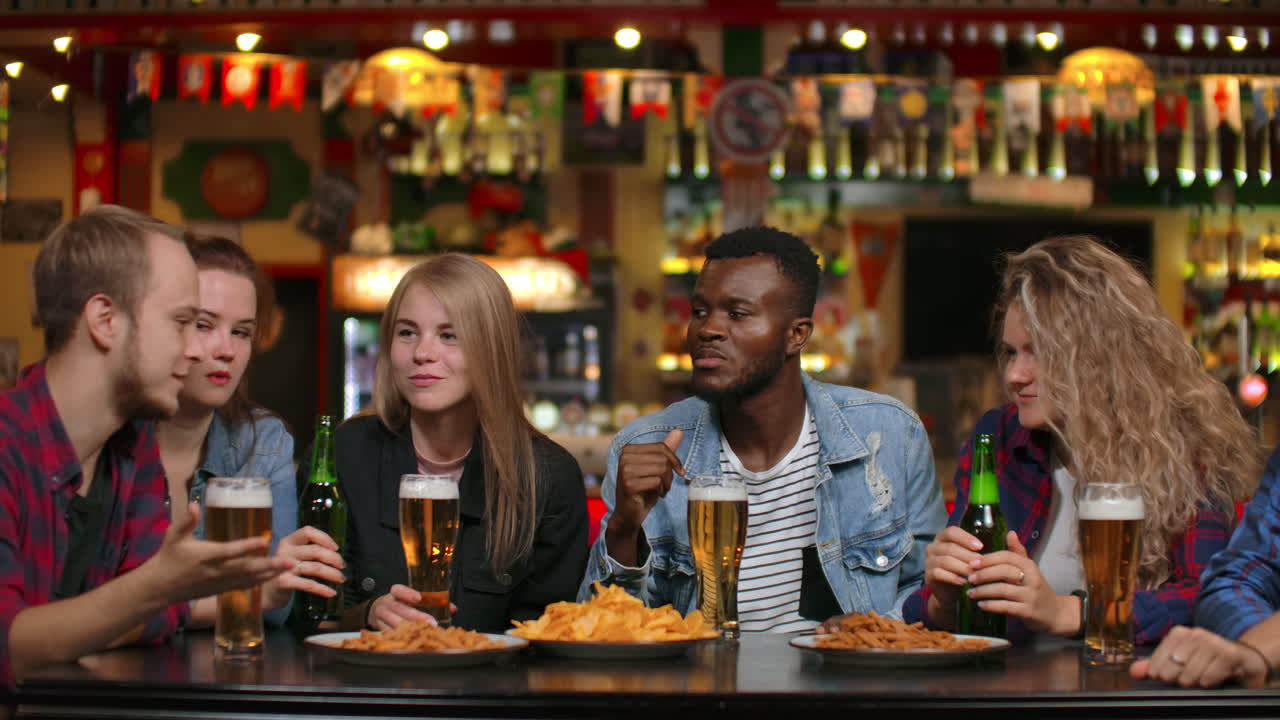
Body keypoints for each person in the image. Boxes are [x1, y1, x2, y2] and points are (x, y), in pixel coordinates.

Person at [580, 226, 945, 631]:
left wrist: (865, 635)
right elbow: (603, 629)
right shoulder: (646, 444)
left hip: (848, 670)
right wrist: (623, 530)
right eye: (699, 312)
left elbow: (931, 591)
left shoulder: (889, 434)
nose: (707, 329)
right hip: (703, 672)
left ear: (796, 335)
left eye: (737, 314)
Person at [903, 235, 1262, 645]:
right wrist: (944, 601)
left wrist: (1069, 612)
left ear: (1100, 356)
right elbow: (942, 615)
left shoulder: (1187, 445)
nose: (1014, 375)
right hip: (1009, 680)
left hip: (1130, 681)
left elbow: (1208, 596)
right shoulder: (998, 436)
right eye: (1011, 353)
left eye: (1039, 352)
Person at [0, 206, 291, 685]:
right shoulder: (11, 443)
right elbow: (8, 646)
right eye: (183, 322)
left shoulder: (131, 447)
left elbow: (156, 617)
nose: (197, 351)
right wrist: (156, 587)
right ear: (105, 320)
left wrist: (158, 594)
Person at [314, 254, 588, 633]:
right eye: (407, 332)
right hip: (371, 673)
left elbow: (549, 636)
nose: (422, 353)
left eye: (449, 335)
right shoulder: (345, 453)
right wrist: (368, 614)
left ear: (491, 349)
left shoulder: (549, 476)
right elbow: (312, 619)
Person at [156, 235, 344, 628]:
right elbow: (89, 597)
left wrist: (156, 607)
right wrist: (245, 599)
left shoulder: (262, 441)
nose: (226, 349)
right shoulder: (115, 436)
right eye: (204, 325)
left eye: (241, 332)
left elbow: (276, 603)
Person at [1130, 444, 1280, 688]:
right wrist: (1253, 652)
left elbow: (1195, 585)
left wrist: (1090, 613)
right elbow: (1236, 580)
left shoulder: (1193, 478)